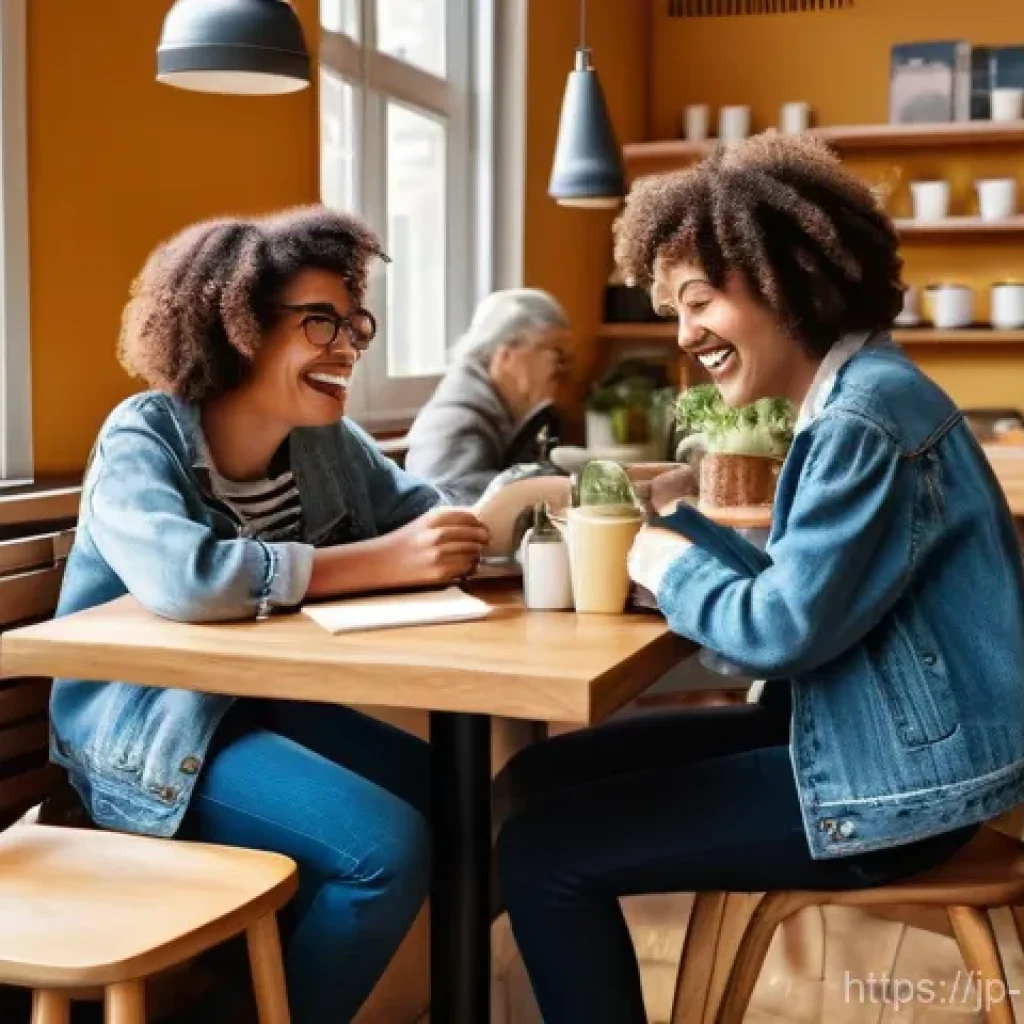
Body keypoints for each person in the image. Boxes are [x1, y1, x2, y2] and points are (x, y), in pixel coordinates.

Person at [495, 134, 1024, 1024]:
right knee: (536, 780)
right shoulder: (862, 395)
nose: (683, 334)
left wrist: (651, 557)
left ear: (784, 280)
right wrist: (678, 521)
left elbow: (777, 631)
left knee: (543, 851)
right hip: (861, 741)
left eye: (698, 300)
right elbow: (812, 593)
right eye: (671, 309)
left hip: (895, 790)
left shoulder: (861, 418)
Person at [49, 207, 490, 1023]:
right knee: (387, 853)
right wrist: (382, 562)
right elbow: (188, 579)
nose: (349, 346)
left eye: (354, 322)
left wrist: (506, 520)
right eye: (319, 322)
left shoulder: (324, 439)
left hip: (262, 711)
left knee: (472, 805)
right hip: (147, 738)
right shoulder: (141, 437)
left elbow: (422, 515)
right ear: (237, 324)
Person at [404, 288, 573, 503]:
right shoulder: (456, 420)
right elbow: (449, 506)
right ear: (506, 354)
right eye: (556, 351)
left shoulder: (506, 410)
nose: (564, 366)